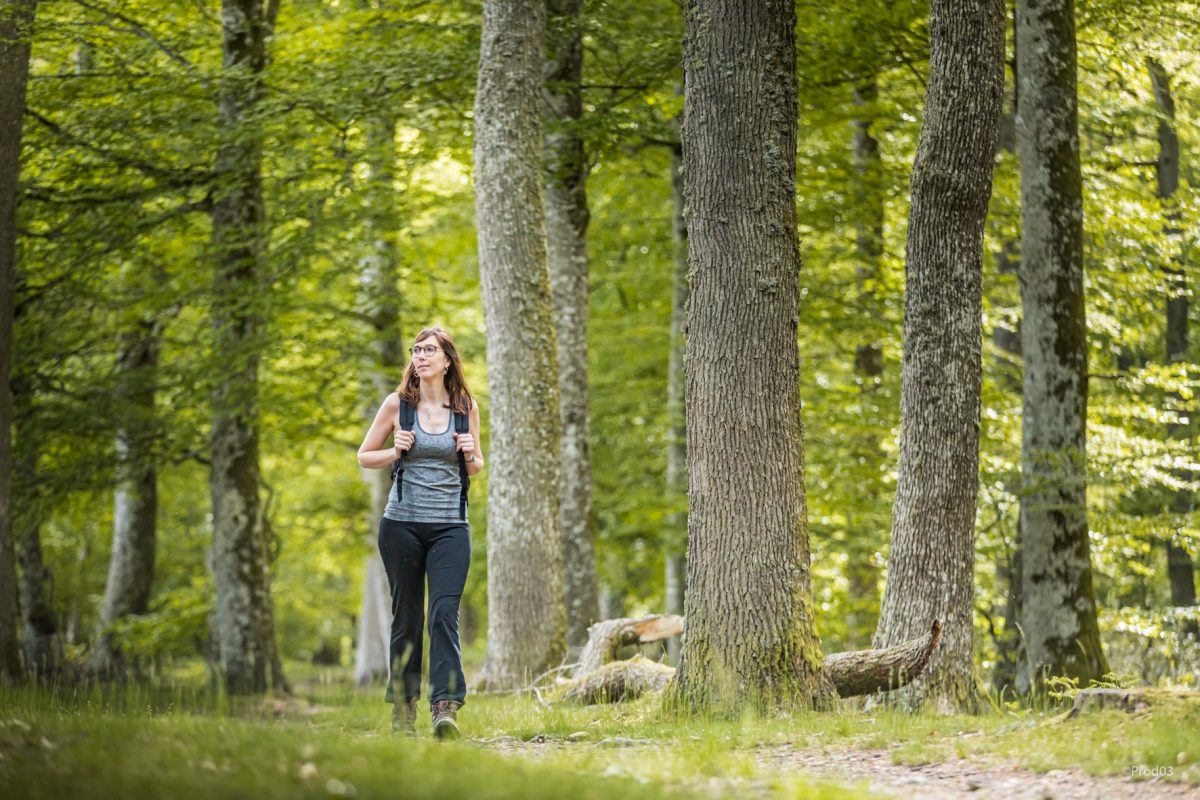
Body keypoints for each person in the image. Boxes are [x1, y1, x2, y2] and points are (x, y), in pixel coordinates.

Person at [357, 326, 484, 739]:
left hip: (451, 526)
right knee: (407, 619)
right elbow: (364, 456)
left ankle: (444, 706)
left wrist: (470, 453)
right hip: (402, 526)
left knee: (443, 615)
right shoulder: (398, 406)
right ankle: (404, 709)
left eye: (430, 350)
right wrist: (395, 450)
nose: (421, 356)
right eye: (416, 350)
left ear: (447, 359)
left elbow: (477, 465)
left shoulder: (465, 406)